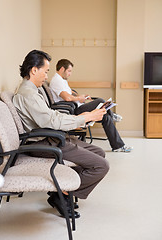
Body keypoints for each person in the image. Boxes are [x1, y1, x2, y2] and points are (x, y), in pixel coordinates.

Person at [13, 50, 109, 219]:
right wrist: (84, 118)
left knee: (99, 153)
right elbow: (53, 121)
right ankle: (61, 193)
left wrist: (79, 118)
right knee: (101, 165)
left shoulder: (31, 92)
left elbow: (51, 117)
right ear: (34, 70)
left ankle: (63, 191)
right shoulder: (28, 95)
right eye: (46, 71)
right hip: (45, 143)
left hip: (50, 137)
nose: (46, 76)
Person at [49, 59, 132, 153]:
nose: (70, 73)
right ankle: (113, 115)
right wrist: (79, 98)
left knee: (106, 117)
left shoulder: (62, 80)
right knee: (100, 101)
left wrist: (81, 96)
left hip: (76, 106)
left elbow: (70, 93)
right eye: (69, 71)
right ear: (62, 69)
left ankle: (118, 146)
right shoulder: (56, 81)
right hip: (73, 111)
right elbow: (67, 98)